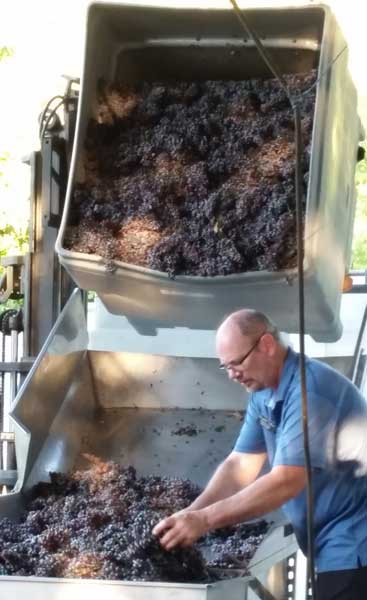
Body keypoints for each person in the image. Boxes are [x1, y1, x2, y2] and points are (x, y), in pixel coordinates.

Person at [153, 309, 367, 600]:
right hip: (331, 543)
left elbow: (285, 482)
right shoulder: (264, 394)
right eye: (225, 367)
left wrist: (204, 520)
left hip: (355, 542)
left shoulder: (310, 392)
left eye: (236, 363)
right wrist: (190, 514)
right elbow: (240, 465)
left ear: (266, 344)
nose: (232, 375)